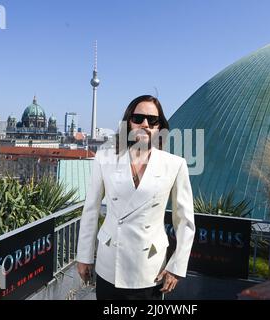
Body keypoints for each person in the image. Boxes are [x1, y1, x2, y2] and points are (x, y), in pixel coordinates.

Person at [76, 95, 195, 300]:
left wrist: (176, 266)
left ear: (160, 126)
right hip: (110, 263)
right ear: (128, 123)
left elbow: (185, 221)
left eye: (152, 120)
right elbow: (91, 210)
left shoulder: (175, 165)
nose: (145, 124)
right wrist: (84, 256)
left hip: (149, 267)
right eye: (138, 118)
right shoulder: (105, 159)